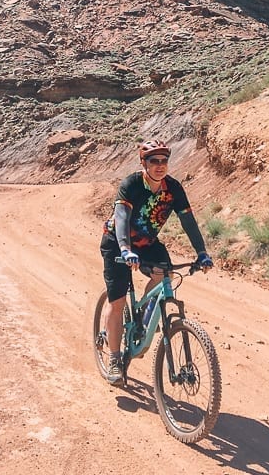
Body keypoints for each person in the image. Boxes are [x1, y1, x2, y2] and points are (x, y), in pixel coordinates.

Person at [100, 139, 213, 385]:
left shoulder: (173, 188)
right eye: (154, 161)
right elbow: (121, 218)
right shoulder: (131, 184)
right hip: (117, 243)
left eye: (164, 161)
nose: (160, 166)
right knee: (117, 301)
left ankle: (143, 318)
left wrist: (202, 252)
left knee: (165, 275)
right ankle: (115, 358)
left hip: (148, 243)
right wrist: (125, 249)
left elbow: (188, 221)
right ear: (144, 163)